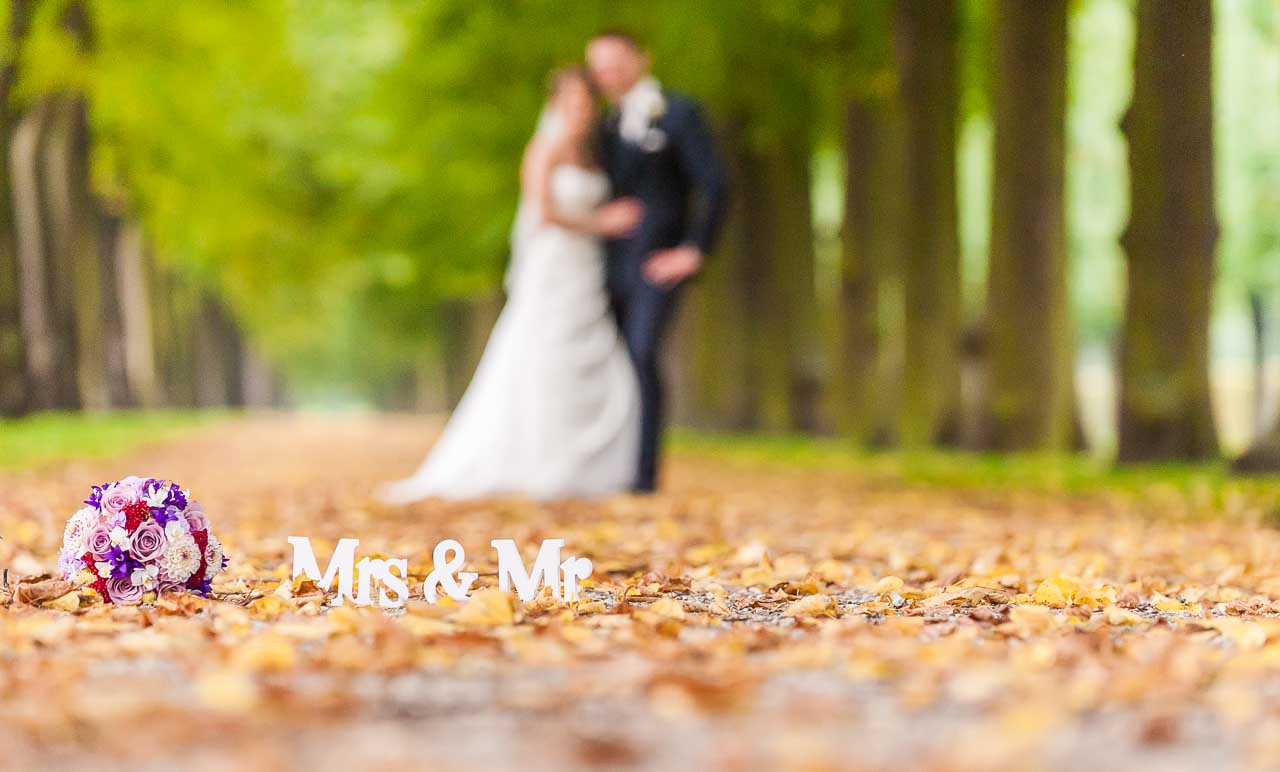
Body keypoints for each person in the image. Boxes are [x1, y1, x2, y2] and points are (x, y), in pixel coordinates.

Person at [380, 68, 644, 502]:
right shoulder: (543, 150)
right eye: (572, 103)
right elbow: (544, 213)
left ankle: (583, 464)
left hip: (586, 268)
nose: (581, 111)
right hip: (555, 266)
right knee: (545, 355)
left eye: (587, 104)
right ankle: (538, 460)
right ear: (556, 105)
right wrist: (604, 223)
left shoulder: (595, 154)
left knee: (593, 358)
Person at [587, 30, 729, 492]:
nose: (608, 74)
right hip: (606, 267)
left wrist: (694, 249)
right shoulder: (601, 125)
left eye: (616, 62)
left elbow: (715, 184)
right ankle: (607, 464)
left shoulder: (679, 113)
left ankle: (643, 474)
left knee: (643, 352)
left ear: (642, 60)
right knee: (610, 361)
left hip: (657, 262)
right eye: (599, 67)